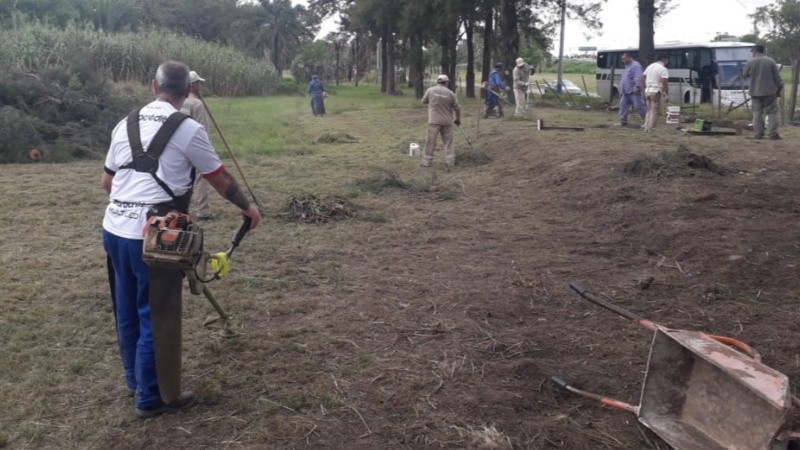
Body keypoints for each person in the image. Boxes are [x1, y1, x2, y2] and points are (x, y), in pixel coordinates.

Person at [101, 60, 261, 419]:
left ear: (152, 86)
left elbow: (107, 184)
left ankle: (135, 380)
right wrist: (248, 210)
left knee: (126, 308)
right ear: (188, 91)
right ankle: (152, 398)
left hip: (113, 230)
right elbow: (219, 179)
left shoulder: (123, 124)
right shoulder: (188, 129)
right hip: (157, 236)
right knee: (156, 316)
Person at [180, 70, 213, 220]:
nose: (200, 86)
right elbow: (203, 129)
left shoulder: (177, 101)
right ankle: (202, 210)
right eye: (199, 83)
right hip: (194, 144)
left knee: (182, 177)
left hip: (177, 145)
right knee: (201, 176)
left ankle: (180, 208)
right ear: (193, 85)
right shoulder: (197, 104)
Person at [743, 45, 783, 140]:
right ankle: (773, 134)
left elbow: (744, 75)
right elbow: (777, 78)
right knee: (772, 113)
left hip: (755, 92)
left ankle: (758, 134)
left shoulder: (750, 62)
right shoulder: (771, 61)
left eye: (752, 51)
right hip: (770, 92)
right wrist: (779, 89)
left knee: (757, 113)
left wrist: (751, 74)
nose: (752, 53)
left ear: (756, 51)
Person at [421, 74, 462, 167]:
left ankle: (426, 162)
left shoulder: (430, 90)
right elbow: (457, 108)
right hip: (447, 122)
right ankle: (450, 162)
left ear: (437, 82)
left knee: (430, 142)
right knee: (448, 142)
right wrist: (458, 119)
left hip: (433, 121)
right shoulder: (451, 93)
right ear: (446, 83)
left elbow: (423, 101)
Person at [641, 53, 670, 133]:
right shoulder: (663, 69)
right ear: (664, 59)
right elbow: (664, 82)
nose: (667, 62)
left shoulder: (649, 66)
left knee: (649, 110)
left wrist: (644, 88)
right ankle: (651, 129)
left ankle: (646, 127)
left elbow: (643, 77)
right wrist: (666, 94)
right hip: (655, 91)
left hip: (647, 90)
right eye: (667, 60)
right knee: (655, 111)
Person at [615, 52, 646, 126]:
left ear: (629, 58)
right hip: (626, 91)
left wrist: (637, 87)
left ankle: (646, 121)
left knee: (639, 106)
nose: (623, 61)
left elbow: (638, 77)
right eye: (622, 59)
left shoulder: (635, 66)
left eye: (624, 59)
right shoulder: (627, 66)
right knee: (623, 106)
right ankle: (623, 121)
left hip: (634, 91)